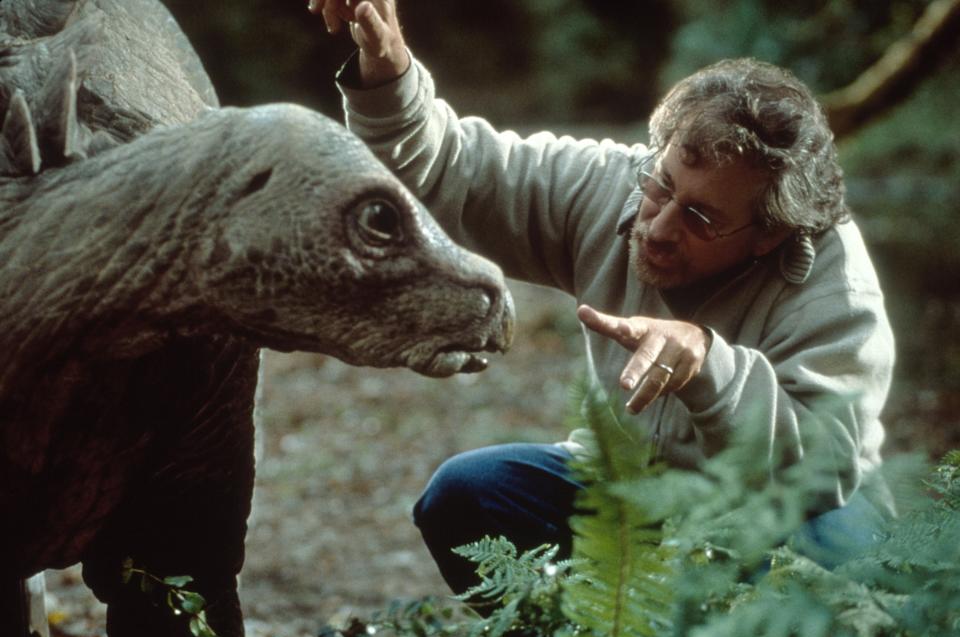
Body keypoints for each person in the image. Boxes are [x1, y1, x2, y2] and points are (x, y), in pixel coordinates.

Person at [308, 0, 896, 593]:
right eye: (662, 184)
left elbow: (824, 465)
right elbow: (452, 171)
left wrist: (708, 364)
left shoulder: (832, 284)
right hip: (629, 483)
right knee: (465, 496)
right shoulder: (611, 184)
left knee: (840, 567)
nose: (660, 225)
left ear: (768, 234)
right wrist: (389, 71)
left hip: (779, 508)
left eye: (699, 216)